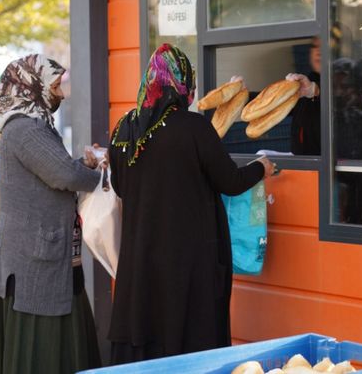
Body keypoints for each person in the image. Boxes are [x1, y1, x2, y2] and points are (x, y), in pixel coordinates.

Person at [107, 43, 275, 364]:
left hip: (140, 262)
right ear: (181, 83)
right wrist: (261, 167)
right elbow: (230, 181)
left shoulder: (124, 128)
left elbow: (120, 187)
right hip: (187, 263)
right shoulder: (194, 127)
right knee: (189, 340)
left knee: (148, 334)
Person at [0, 54, 103, 374]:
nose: (60, 94)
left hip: (36, 251)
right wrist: (105, 179)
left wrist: (85, 167)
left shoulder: (32, 124)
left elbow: (54, 172)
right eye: (53, 85)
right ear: (31, 83)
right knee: (42, 346)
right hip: (34, 257)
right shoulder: (26, 128)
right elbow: (63, 175)